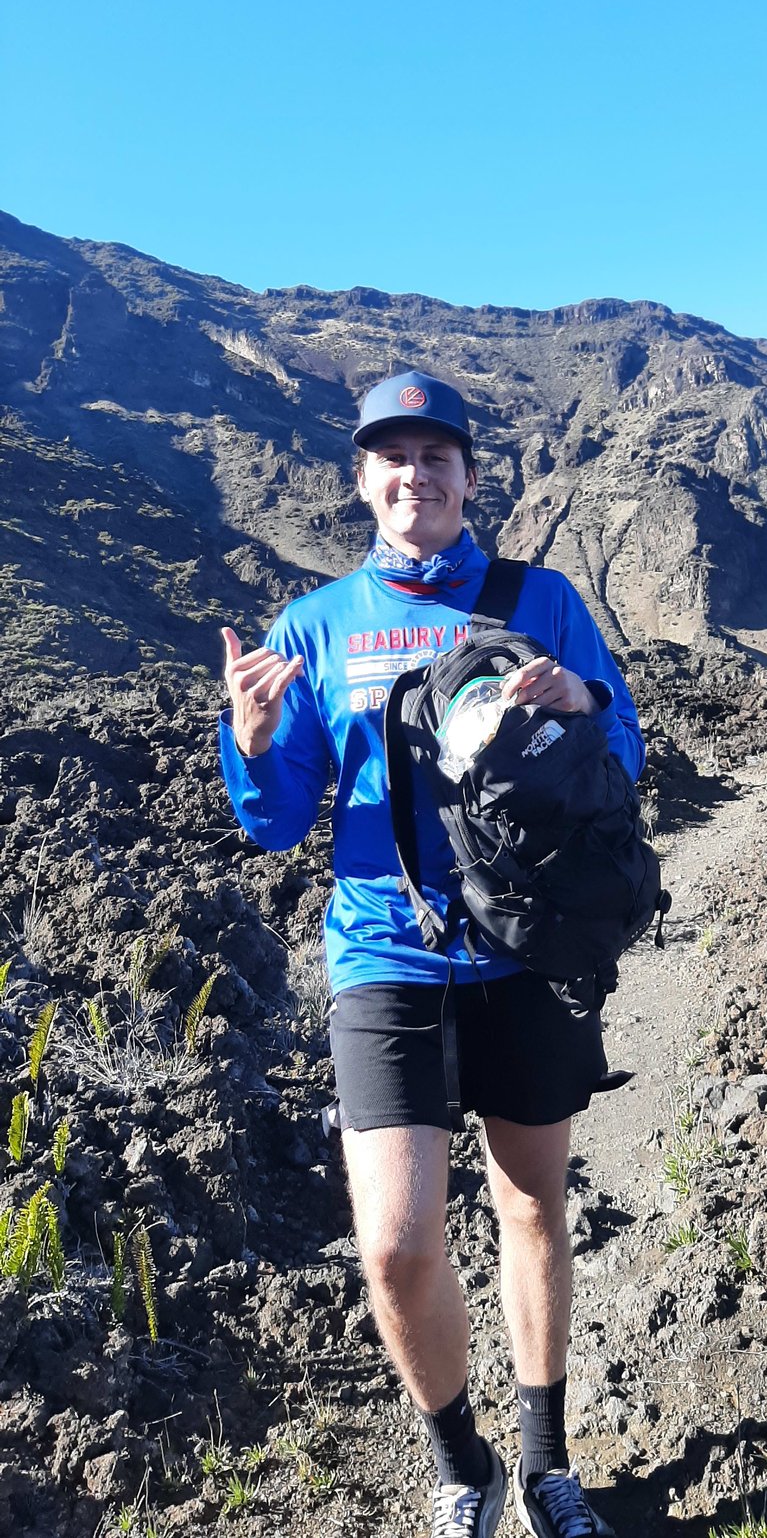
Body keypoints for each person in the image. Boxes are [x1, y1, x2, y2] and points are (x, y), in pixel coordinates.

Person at [219, 372, 642, 1538]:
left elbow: (628, 750)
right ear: (362, 480)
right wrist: (253, 741)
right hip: (384, 961)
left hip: (520, 950)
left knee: (531, 1205)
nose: (415, 474)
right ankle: (464, 1462)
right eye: (389, 455)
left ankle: (548, 1461)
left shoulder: (537, 598)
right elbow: (273, 817)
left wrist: (583, 704)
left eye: (435, 454)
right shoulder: (311, 626)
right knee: (399, 1244)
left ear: (468, 475)